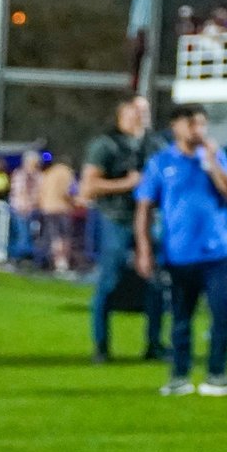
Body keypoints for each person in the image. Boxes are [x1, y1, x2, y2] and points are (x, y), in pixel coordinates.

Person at [133, 104, 227, 397]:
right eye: (192, 124)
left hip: (220, 252)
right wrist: (144, 249)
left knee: (222, 314)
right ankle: (179, 375)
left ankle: (217, 374)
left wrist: (212, 164)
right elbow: (144, 207)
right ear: (176, 127)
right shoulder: (161, 162)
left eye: (202, 124)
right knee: (181, 319)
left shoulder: (215, 156)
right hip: (179, 253)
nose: (199, 130)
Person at [82, 97, 166, 363]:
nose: (141, 116)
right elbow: (89, 187)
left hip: (150, 220)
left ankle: (154, 344)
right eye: (135, 112)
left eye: (145, 111)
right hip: (116, 219)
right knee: (109, 282)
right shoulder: (104, 145)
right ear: (122, 115)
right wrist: (126, 184)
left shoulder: (156, 144)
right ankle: (101, 346)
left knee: (157, 283)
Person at [37, 155, 78, 273]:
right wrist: (74, 201)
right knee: (64, 236)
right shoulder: (67, 173)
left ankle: (53, 260)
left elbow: (41, 190)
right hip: (62, 208)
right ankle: (62, 262)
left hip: (47, 207)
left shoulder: (49, 173)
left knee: (53, 235)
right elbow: (71, 190)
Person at [7, 150, 44, 264]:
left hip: (34, 210)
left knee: (31, 235)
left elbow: (41, 192)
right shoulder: (19, 174)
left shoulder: (39, 176)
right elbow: (19, 192)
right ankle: (17, 257)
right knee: (20, 233)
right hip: (19, 209)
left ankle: (26, 257)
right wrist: (25, 205)